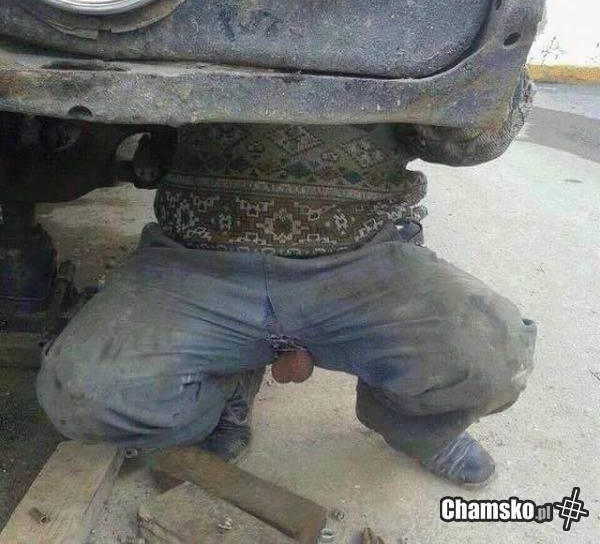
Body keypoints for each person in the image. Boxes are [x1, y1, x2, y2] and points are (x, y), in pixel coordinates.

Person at [37, 111, 536, 488]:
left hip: (362, 262)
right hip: (195, 263)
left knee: (494, 358)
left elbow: (477, 140)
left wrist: (495, 56)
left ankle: (419, 428)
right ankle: (224, 391)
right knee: (79, 394)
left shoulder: (402, 17)